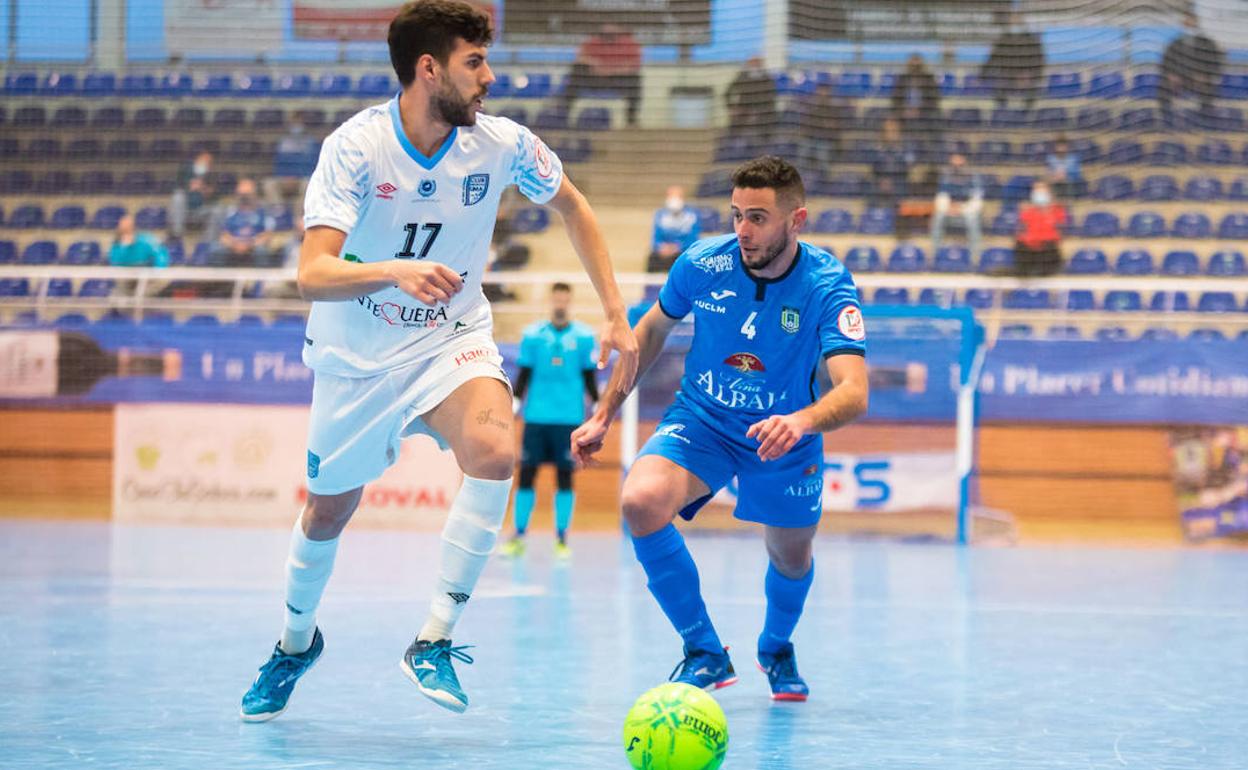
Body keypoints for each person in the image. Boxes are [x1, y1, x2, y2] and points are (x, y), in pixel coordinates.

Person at [239, 0, 637, 722]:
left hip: (451, 339)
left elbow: (573, 206)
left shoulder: (502, 143)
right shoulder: (355, 148)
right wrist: (391, 271)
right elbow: (312, 273)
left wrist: (615, 312)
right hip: (357, 356)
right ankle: (295, 643)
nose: (490, 77)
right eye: (474, 63)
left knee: (493, 449)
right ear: (429, 70)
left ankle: (433, 638)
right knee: (328, 511)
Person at [571, 156, 869, 701]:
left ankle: (776, 646)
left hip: (783, 435)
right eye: (736, 215)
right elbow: (652, 330)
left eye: (757, 217)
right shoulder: (703, 263)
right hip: (703, 419)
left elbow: (854, 390)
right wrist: (605, 410)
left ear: (796, 220)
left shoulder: (827, 284)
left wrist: (801, 420)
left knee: (791, 556)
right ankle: (704, 651)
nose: (743, 231)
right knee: (640, 500)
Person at [500, 283, 598, 559]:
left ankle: (562, 539)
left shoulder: (584, 337)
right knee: (527, 475)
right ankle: (519, 536)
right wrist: (516, 403)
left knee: (565, 477)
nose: (560, 304)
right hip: (537, 417)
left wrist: (599, 406)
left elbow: (590, 376)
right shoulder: (533, 336)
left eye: (565, 300)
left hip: (569, 419)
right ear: (551, 301)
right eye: (556, 299)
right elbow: (524, 374)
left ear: (570, 301)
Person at [559, 24, 642, 127]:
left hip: (615, 80)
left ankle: (631, 120)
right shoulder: (592, 42)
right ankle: (562, 117)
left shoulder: (630, 44)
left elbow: (633, 66)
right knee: (576, 71)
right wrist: (593, 63)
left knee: (635, 80)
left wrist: (609, 70)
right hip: (594, 78)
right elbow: (580, 59)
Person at [1160, 11, 1224, 122]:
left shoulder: (1208, 44)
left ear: (1197, 23)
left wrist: (1205, 75)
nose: (1188, 25)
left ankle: (1205, 118)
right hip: (1180, 80)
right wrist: (1171, 75)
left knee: (1208, 88)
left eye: (1191, 22)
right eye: (1186, 22)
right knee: (1163, 86)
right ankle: (1166, 118)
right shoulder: (1175, 44)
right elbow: (1166, 62)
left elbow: (1215, 62)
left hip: (1200, 80)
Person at [211, 178, 280, 268]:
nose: (244, 198)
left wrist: (249, 245)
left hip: (254, 246)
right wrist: (235, 244)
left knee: (261, 251)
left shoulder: (264, 211)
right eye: (241, 195)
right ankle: (219, 281)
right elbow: (223, 235)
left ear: (255, 194)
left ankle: (260, 281)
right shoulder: (229, 211)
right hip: (233, 246)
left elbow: (267, 235)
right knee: (216, 250)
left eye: (247, 195)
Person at [264, 115, 321, 220]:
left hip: (302, 179)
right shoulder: (283, 142)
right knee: (269, 184)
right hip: (284, 179)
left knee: (308, 184)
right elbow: (279, 162)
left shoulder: (310, 142)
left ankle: (299, 216)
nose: (296, 127)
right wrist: (284, 176)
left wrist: (297, 176)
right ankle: (279, 212)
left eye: (298, 123)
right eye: (294, 123)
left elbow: (312, 164)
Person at [983, 12, 1044, 109]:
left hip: (1026, 73)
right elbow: (993, 57)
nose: (1015, 23)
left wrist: (1034, 75)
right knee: (999, 87)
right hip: (1007, 74)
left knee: (1032, 90)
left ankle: (1026, 114)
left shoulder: (1031, 39)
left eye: (1017, 20)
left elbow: (1039, 58)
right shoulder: (1003, 38)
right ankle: (1003, 112)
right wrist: (983, 74)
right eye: (1012, 20)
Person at [930, 153, 984, 258]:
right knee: (938, 217)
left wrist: (962, 208)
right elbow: (941, 196)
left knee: (972, 219)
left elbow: (977, 199)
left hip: (967, 210)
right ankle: (936, 252)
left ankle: (975, 254)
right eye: (954, 160)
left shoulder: (974, 177)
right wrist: (948, 208)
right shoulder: (946, 177)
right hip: (949, 210)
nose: (956, 163)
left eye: (959, 160)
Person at [1014, 180, 1066, 276]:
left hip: (1048, 251)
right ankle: (1025, 273)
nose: (1039, 192)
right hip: (1031, 251)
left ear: (1049, 193)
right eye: (1036, 190)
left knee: (1049, 246)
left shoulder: (1057, 209)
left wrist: (1048, 211)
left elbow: (1063, 226)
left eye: (1042, 189)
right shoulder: (1028, 211)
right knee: (1020, 244)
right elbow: (1021, 228)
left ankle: (1046, 273)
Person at [647, 186, 700, 274]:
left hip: (682, 251)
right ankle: (651, 286)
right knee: (652, 258)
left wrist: (677, 247)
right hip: (663, 252)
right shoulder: (660, 215)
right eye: (671, 196)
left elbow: (693, 239)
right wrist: (661, 247)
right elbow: (656, 238)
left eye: (677, 197)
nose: (674, 199)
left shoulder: (692, 216)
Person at [169, 150, 218, 238]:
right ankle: (177, 234)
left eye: (209, 162)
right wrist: (188, 187)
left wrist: (203, 189)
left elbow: (215, 199)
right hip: (185, 210)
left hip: (200, 212)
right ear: (197, 159)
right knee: (178, 196)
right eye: (204, 160)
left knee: (217, 209)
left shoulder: (211, 176)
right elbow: (176, 188)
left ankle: (208, 239)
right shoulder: (185, 171)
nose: (206, 163)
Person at [725, 57, 777, 140]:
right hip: (744, 110)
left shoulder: (767, 78)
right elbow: (727, 93)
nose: (755, 65)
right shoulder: (742, 77)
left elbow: (772, 95)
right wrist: (732, 108)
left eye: (757, 63)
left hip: (762, 112)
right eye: (753, 63)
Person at [890, 54, 941, 137]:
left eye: (917, 66)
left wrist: (919, 111)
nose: (915, 68)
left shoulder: (929, 79)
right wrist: (904, 110)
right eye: (913, 66)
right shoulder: (902, 79)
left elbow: (934, 100)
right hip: (904, 113)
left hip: (925, 114)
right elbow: (895, 99)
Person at [870, 118, 915, 207]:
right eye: (888, 131)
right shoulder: (877, 148)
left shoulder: (906, 148)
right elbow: (874, 167)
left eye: (894, 131)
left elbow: (909, 166)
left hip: (900, 183)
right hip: (879, 183)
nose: (891, 134)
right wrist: (883, 180)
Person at [1045, 135, 1082, 199]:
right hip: (1055, 183)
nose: (1061, 148)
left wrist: (1066, 176)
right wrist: (1054, 176)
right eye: (1059, 146)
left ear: (1067, 146)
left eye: (1063, 146)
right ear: (1055, 147)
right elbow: (1048, 173)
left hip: (1070, 184)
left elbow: (1077, 175)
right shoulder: (1050, 159)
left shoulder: (1073, 158)